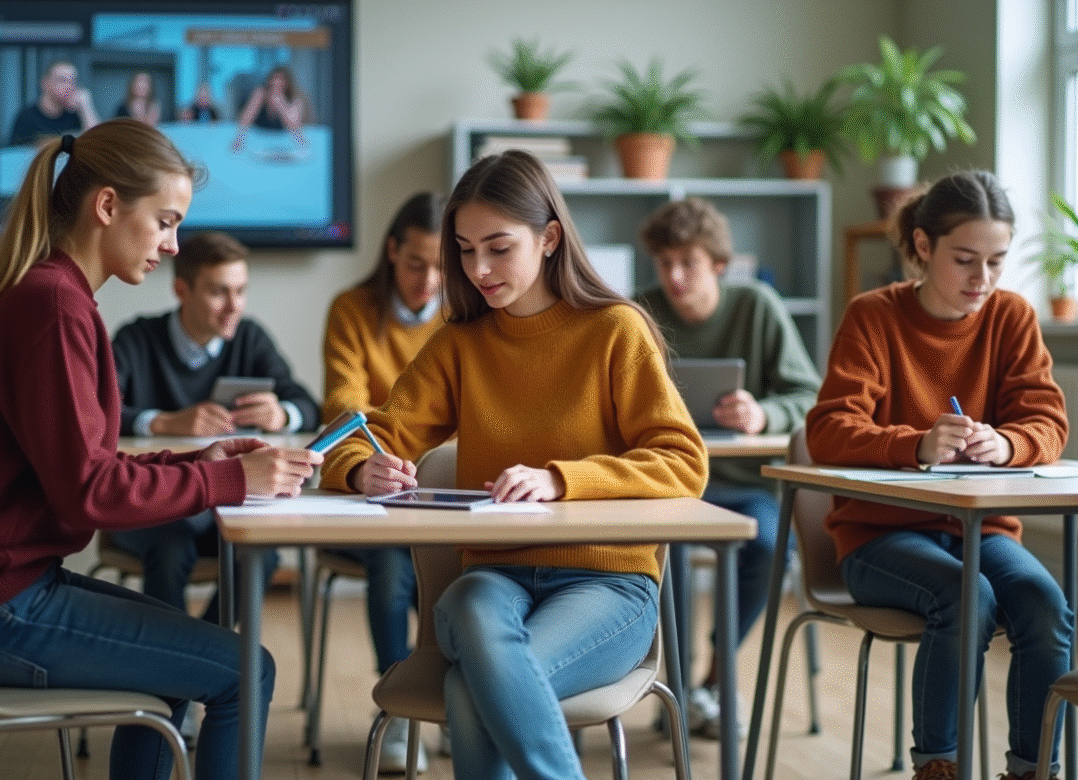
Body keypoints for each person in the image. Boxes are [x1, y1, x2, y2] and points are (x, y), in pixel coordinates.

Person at [0, 118, 322, 780]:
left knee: (190, 664)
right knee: (244, 669)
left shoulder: (52, 295)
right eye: (166, 222)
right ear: (107, 205)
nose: (173, 246)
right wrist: (232, 481)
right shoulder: (56, 307)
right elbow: (90, 491)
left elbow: (87, 465)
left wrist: (199, 464)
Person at [316, 149, 709, 780]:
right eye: (466, 250)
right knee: (471, 613)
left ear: (550, 237)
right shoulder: (461, 343)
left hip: (607, 584)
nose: (478, 269)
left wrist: (560, 479)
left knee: (473, 690)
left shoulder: (616, 330)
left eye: (499, 248)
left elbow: (683, 462)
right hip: (493, 575)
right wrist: (363, 469)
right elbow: (362, 434)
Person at [805, 170, 1072, 780]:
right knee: (964, 595)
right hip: (878, 538)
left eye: (997, 262)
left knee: (1044, 605)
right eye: (965, 260)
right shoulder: (873, 316)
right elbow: (827, 430)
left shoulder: (1012, 318)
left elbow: (1047, 424)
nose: (983, 281)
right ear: (923, 247)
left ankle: (1033, 770)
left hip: (984, 531)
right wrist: (916, 444)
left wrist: (1005, 444)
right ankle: (937, 766)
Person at [635, 197, 821, 738]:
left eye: (686, 263)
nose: (673, 276)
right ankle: (679, 689)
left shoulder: (757, 306)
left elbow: (808, 397)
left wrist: (763, 413)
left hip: (746, 484)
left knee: (768, 543)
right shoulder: (638, 313)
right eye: (663, 263)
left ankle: (713, 678)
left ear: (718, 264)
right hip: (669, 487)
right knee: (670, 550)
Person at [109, 230, 321, 625]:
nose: (233, 307)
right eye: (219, 293)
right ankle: (171, 667)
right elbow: (99, 415)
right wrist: (164, 421)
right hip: (150, 506)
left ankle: (205, 649)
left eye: (241, 291)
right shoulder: (136, 339)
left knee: (263, 551)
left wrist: (284, 414)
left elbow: (309, 405)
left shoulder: (250, 338)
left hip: (219, 505)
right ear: (181, 290)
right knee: (172, 544)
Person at [320, 190, 444, 772]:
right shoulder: (353, 310)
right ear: (392, 251)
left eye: (445, 265)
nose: (429, 279)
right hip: (373, 499)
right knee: (394, 560)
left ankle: (445, 698)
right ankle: (400, 709)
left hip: (445, 494)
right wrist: (359, 467)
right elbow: (345, 410)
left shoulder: (464, 319)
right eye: (417, 263)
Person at [9, 60, 100, 146]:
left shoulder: (76, 114)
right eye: (62, 80)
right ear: (45, 83)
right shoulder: (27, 117)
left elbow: (98, 142)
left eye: (73, 81)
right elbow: (15, 156)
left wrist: (86, 106)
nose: (69, 86)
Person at [232, 65, 309, 150]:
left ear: (288, 83)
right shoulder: (261, 93)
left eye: (281, 79)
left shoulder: (295, 99)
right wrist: (239, 139)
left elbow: (295, 128)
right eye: (274, 78)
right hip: (258, 142)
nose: (276, 82)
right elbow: (246, 120)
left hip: (283, 145)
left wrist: (280, 103)